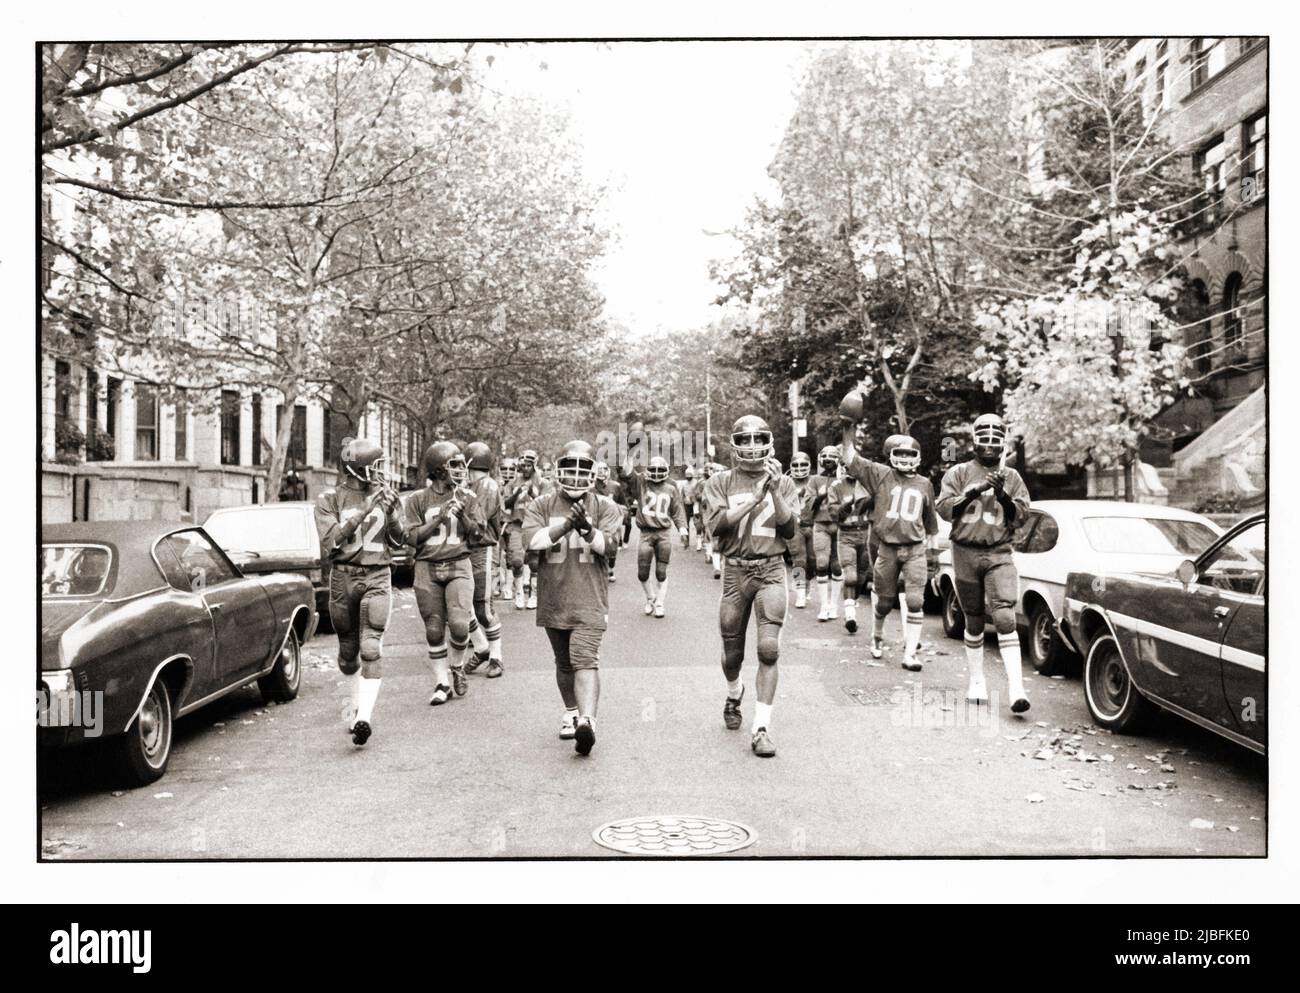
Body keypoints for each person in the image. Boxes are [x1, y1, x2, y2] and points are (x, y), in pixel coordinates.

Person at [700, 415, 799, 758]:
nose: (753, 446)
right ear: (736, 445)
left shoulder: (782, 482)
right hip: (735, 571)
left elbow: (790, 531)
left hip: (771, 569)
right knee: (732, 654)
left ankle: (761, 728)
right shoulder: (720, 481)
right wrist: (755, 499)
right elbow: (717, 526)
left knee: (769, 649)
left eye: (759, 439)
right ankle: (734, 690)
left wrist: (772, 491)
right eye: (745, 440)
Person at [523, 440, 623, 755]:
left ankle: (588, 721)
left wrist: (586, 531)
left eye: (583, 470)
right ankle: (571, 711)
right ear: (558, 471)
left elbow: (609, 547)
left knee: (585, 659)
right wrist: (568, 525)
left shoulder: (606, 506)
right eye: (570, 469)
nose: (576, 476)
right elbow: (533, 542)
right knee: (563, 662)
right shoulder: (540, 505)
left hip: (589, 596)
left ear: (594, 473)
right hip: (554, 595)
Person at [935, 413, 1032, 713]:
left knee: (1004, 616)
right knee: (974, 618)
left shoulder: (1013, 477)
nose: (989, 447)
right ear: (974, 441)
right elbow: (944, 510)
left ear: (1002, 445)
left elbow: (1021, 517)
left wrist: (1002, 495)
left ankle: (1016, 686)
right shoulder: (959, 472)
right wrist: (975, 491)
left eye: (995, 441)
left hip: (998, 551)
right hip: (964, 550)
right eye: (984, 440)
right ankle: (977, 680)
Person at [314, 438, 404, 746]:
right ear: (358, 469)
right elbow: (331, 543)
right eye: (375, 466)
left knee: (370, 646)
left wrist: (391, 514)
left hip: (377, 575)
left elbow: (399, 540)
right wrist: (364, 510)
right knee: (348, 652)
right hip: (343, 578)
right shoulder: (330, 499)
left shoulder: (388, 495)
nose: (380, 473)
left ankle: (364, 718)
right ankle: (352, 703)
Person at [837, 410, 940, 670]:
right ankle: (878, 634)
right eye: (900, 454)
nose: (905, 459)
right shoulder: (881, 474)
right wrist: (848, 426)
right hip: (888, 549)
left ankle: (910, 654)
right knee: (884, 602)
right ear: (891, 456)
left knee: (916, 600)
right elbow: (849, 456)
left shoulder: (925, 483)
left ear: (918, 457)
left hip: (915, 548)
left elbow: (931, 522)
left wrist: (934, 555)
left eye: (910, 454)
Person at [403, 441, 485, 706]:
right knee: (434, 629)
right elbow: (413, 538)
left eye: (462, 464)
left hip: (458, 562)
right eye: (455, 464)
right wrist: (439, 518)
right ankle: (441, 683)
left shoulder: (468, 497)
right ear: (439, 470)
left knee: (460, 626)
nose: (462, 469)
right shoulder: (417, 499)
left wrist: (462, 517)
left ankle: (457, 666)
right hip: (427, 566)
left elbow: (477, 536)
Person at [461, 441, 505, 679]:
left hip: (483, 549)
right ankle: (481, 647)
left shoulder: (486, 485)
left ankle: (496, 657)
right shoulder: (473, 484)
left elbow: (479, 521)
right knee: (462, 605)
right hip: (466, 550)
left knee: (483, 607)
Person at [625, 454, 688, 617]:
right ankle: (650, 597)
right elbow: (627, 472)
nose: (658, 473)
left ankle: (660, 602)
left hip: (663, 533)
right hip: (646, 532)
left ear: (666, 470)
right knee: (642, 572)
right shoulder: (642, 483)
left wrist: (682, 528)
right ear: (648, 470)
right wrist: (630, 454)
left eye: (661, 470)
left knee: (661, 571)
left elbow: (677, 510)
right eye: (654, 469)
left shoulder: (671, 487)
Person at [828, 466, 874, 634]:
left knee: (861, 578)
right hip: (846, 533)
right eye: (845, 466)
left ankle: (851, 604)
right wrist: (848, 504)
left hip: (865, 532)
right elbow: (834, 513)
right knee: (850, 576)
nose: (849, 469)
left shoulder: (867, 483)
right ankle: (850, 616)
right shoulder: (835, 486)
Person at [502, 449, 545, 609]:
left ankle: (533, 595)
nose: (525, 468)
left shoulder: (542, 482)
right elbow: (505, 504)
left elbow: (547, 504)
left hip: (535, 525)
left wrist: (533, 494)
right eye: (523, 465)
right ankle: (519, 593)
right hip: (517, 525)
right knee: (517, 560)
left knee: (534, 562)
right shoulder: (514, 481)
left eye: (529, 465)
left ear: (534, 465)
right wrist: (517, 493)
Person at [808, 446, 844, 621]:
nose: (829, 459)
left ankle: (833, 604)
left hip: (839, 525)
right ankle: (820, 603)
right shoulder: (814, 480)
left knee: (837, 565)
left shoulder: (843, 480)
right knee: (818, 563)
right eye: (826, 456)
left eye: (833, 456)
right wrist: (820, 497)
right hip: (817, 524)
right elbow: (807, 505)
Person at [787, 452, 815, 609]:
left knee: (813, 560)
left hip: (813, 524)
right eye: (796, 465)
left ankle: (807, 583)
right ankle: (800, 591)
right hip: (795, 524)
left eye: (803, 465)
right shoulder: (787, 482)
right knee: (799, 559)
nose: (799, 468)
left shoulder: (814, 481)